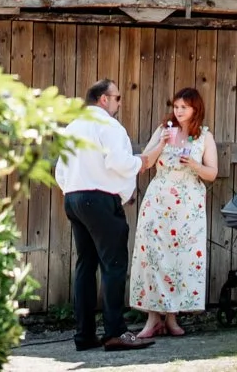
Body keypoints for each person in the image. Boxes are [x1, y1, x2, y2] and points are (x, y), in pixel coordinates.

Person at [58, 79, 154, 352]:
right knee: (113, 265)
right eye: (118, 98)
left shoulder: (72, 127)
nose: (120, 103)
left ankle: (84, 335)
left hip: (74, 198)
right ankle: (115, 332)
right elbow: (119, 163)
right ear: (103, 99)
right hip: (100, 200)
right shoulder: (109, 126)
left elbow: (60, 172)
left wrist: (75, 192)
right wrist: (141, 162)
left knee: (85, 266)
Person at [129, 86, 219, 339]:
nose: (178, 112)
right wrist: (161, 144)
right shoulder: (163, 129)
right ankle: (152, 318)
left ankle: (172, 317)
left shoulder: (204, 136)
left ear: (195, 109)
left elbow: (212, 173)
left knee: (180, 258)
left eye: (184, 107)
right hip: (159, 201)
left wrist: (193, 164)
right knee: (154, 257)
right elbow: (144, 163)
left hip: (188, 206)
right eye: (176, 107)